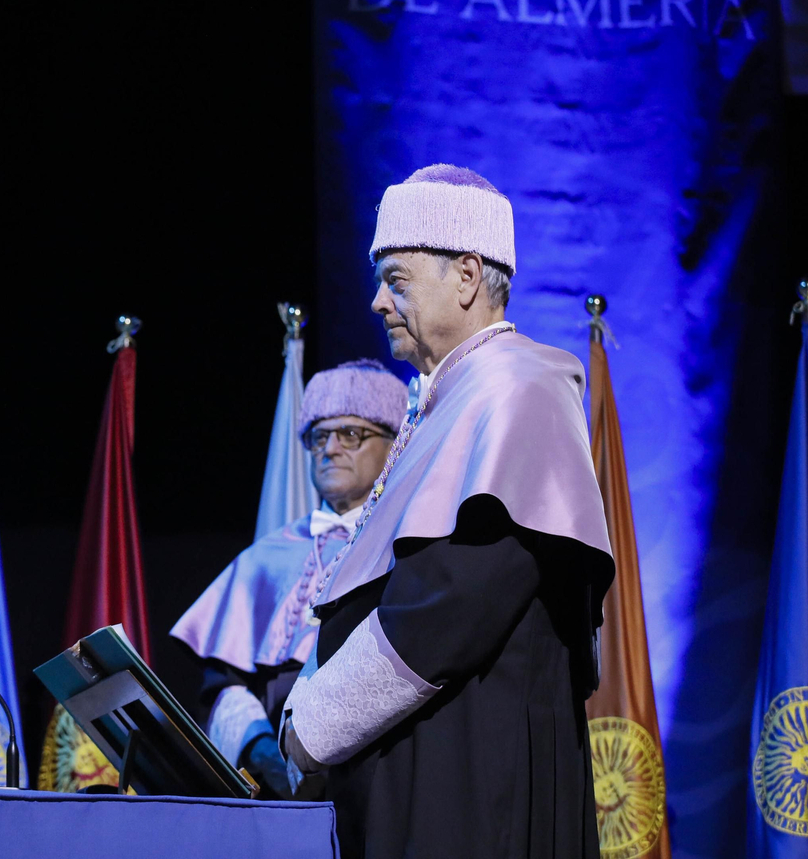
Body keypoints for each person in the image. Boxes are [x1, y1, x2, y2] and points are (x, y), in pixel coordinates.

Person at [281, 164, 615, 857]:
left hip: (471, 789)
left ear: (466, 276)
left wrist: (312, 722)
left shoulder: (519, 389)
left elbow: (447, 604)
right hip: (427, 778)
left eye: (396, 279)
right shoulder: (447, 401)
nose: (377, 302)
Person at [171, 360, 408, 799]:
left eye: (351, 434)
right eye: (319, 436)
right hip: (271, 783)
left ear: (395, 443)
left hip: (375, 773)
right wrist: (264, 754)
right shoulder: (266, 556)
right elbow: (223, 683)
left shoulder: (407, 547)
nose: (330, 448)